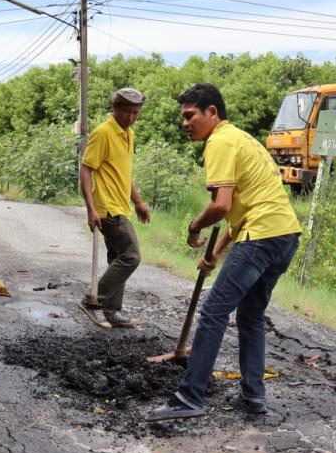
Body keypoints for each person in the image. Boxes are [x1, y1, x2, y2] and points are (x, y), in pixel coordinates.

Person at [148, 83, 302, 421]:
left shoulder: (218, 141)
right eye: (183, 117)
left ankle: (189, 397)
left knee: (213, 312)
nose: (185, 123)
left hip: (260, 237)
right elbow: (241, 213)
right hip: (285, 236)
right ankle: (253, 397)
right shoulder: (243, 139)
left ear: (212, 112)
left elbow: (221, 206)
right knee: (250, 316)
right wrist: (214, 255)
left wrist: (193, 226)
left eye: (190, 116)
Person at [78, 87, 153, 329]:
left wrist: (138, 201)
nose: (131, 117)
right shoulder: (103, 133)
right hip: (107, 209)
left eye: (136, 113)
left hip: (122, 206)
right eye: (127, 112)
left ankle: (110, 312)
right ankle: (94, 300)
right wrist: (91, 209)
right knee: (131, 257)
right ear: (115, 108)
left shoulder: (127, 133)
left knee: (116, 259)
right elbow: (86, 169)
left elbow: (124, 173)